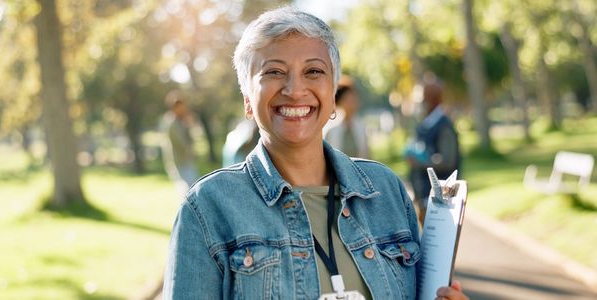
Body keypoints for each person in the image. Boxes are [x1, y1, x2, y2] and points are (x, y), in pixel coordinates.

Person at [163, 7, 468, 300]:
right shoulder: (206, 209)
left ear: (333, 93)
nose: (295, 89)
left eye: (313, 71)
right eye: (274, 71)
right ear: (246, 99)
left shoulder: (386, 192)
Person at [405, 80, 461, 226]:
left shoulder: (443, 125)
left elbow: (448, 161)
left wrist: (420, 162)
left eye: (423, 98)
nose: (420, 102)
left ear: (432, 99)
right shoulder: (426, 123)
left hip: (439, 201)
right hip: (424, 196)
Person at [160, 90, 199, 196]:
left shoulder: (182, 121)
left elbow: (191, 139)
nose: (182, 109)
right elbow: (181, 144)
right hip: (179, 162)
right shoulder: (172, 124)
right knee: (187, 191)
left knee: (191, 188)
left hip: (187, 160)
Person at [324, 78, 370, 158]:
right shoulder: (330, 128)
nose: (353, 103)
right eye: (348, 100)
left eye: (354, 99)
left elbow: (367, 156)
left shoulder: (361, 126)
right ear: (339, 101)